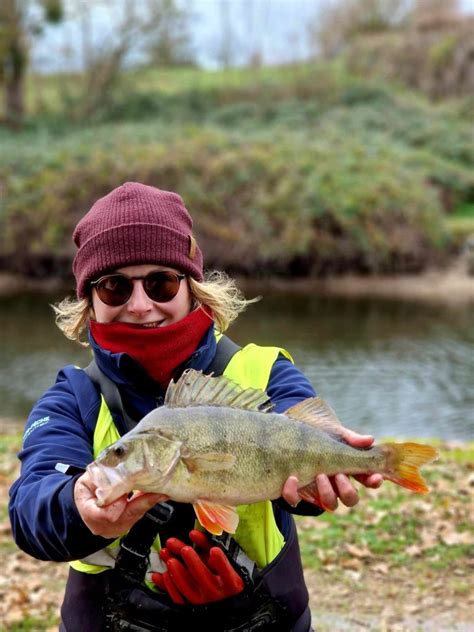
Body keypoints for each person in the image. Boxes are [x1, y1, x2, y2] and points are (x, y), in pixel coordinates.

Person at [9, 182, 383, 631]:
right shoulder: (73, 398)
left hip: (262, 618)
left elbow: (300, 447)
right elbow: (32, 508)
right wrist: (77, 507)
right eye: (114, 287)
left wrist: (327, 471)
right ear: (89, 300)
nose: (141, 305)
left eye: (161, 282)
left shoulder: (265, 372)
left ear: (192, 288)